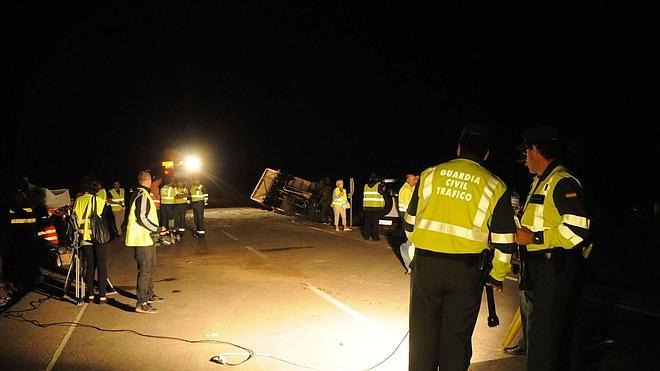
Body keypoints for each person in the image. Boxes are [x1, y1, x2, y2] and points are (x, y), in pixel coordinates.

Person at [404, 123, 517, 370]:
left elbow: (410, 224)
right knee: (456, 341)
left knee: (422, 337)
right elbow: (505, 241)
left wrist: (420, 247)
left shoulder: (430, 174)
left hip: (427, 266)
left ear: (458, 148)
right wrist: (496, 275)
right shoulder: (495, 186)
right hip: (466, 273)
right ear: (486, 154)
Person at [516, 125, 590, 371]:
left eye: (525, 151)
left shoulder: (561, 181)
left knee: (546, 339)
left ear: (535, 149)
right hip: (541, 269)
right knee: (543, 336)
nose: (524, 158)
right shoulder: (542, 181)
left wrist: (535, 239)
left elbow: (578, 230)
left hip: (553, 269)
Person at [125, 170, 164, 314]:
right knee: (145, 269)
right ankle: (141, 303)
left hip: (147, 238)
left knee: (151, 267)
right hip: (142, 239)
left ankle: (149, 295)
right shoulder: (142, 194)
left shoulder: (144, 193)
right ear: (148, 180)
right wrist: (157, 228)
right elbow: (142, 218)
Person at [73, 176, 110, 304]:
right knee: (101, 266)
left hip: (85, 238)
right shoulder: (99, 200)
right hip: (98, 238)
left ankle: (89, 295)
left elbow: (75, 218)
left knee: (90, 266)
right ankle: (103, 296)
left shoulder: (78, 200)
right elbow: (105, 218)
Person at [397, 173, 418, 274]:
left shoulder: (410, 188)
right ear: (408, 180)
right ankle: (411, 266)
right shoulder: (406, 190)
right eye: (413, 179)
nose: (415, 181)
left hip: (407, 216)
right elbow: (410, 206)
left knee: (409, 242)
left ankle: (411, 267)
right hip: (407, 216)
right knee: (409, 242)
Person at [361, 173, 385, 241]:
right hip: (376, 207)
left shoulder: (365, 185)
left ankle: (366, 236)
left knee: (367, 222)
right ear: (377, 178)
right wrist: (382, 184)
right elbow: (382, 193)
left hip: (366, 206)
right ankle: (375, 237)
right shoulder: (379, 185)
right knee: (375, 223)